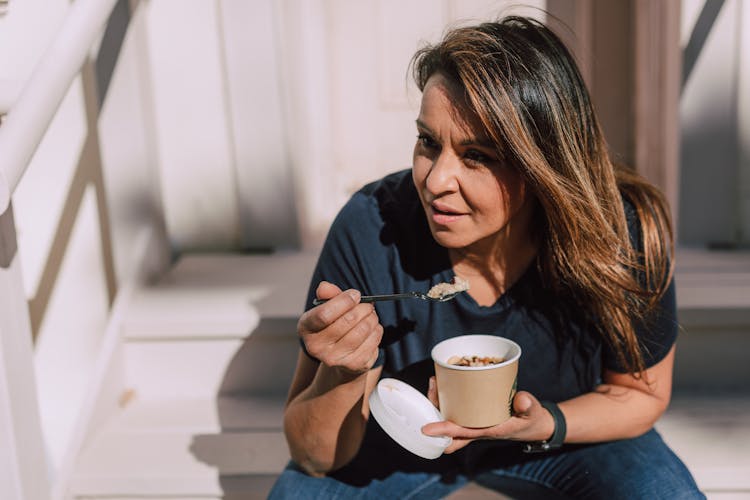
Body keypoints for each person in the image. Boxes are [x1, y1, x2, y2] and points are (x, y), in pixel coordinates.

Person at [269, 15, 704, 500]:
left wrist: (547, 423)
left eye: (477, 155)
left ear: (546, 165)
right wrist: (344, 372)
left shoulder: (621, 232)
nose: (436, 182)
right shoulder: (372, 226)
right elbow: (313, 456)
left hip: (564, 442)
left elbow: (640, 394)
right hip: (399, 447)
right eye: (428, 143)